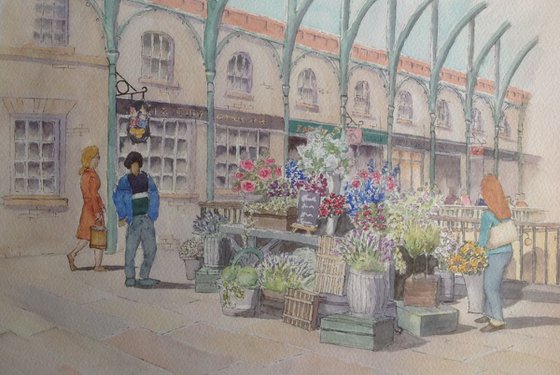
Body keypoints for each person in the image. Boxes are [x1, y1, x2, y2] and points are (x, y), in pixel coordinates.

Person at [113, 151, 160, 288]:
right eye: (132, 165)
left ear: (139, 165)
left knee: (151, 249)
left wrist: (152, 215)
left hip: (146, 219)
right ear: (129, 166)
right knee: (130, 250)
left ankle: (144, 276)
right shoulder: (124, 181)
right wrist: (123, 216)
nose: (135, 168)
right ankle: (130, 277)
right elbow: (118, 199)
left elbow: (154, 195)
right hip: (133, 220)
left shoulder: (147, 178)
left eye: (137, 165)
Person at [475, 174, 513, 332]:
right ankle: (489, 313)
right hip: (506, 251)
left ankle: (497, 320)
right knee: (492, 284)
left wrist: (477, 251)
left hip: (495, 253)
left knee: (490, 286)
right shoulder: (504, 209)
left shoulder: (487, 215)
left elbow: (483, 238)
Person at [66, 146, 106, 272]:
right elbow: (93, 195)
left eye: (98, 157)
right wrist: (98, 211)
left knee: (87, 236)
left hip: (88, 208)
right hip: (93, 209)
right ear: (90, 159)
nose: (98, 159)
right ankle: (97, 265)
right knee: (98, 236)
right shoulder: (91, 175)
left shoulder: (86, 174)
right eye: (96, 157)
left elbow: (93, 194)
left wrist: (101, 204)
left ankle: (72, 254)